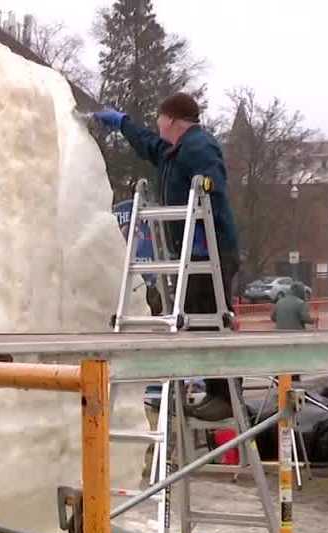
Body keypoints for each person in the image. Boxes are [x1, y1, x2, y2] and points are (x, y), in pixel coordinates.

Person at [94, 93, 240, 422]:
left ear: (172, 120)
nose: (157, 125)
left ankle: (226, 395)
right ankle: (216, 391)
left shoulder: (198, 145)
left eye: (160, 119)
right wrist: (122, 124)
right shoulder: (174, 152)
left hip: (210, 250)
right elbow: (149, 143)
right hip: (193, 251)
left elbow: (213, 178)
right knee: (196, 319)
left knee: (210, 321)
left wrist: (205, 188)